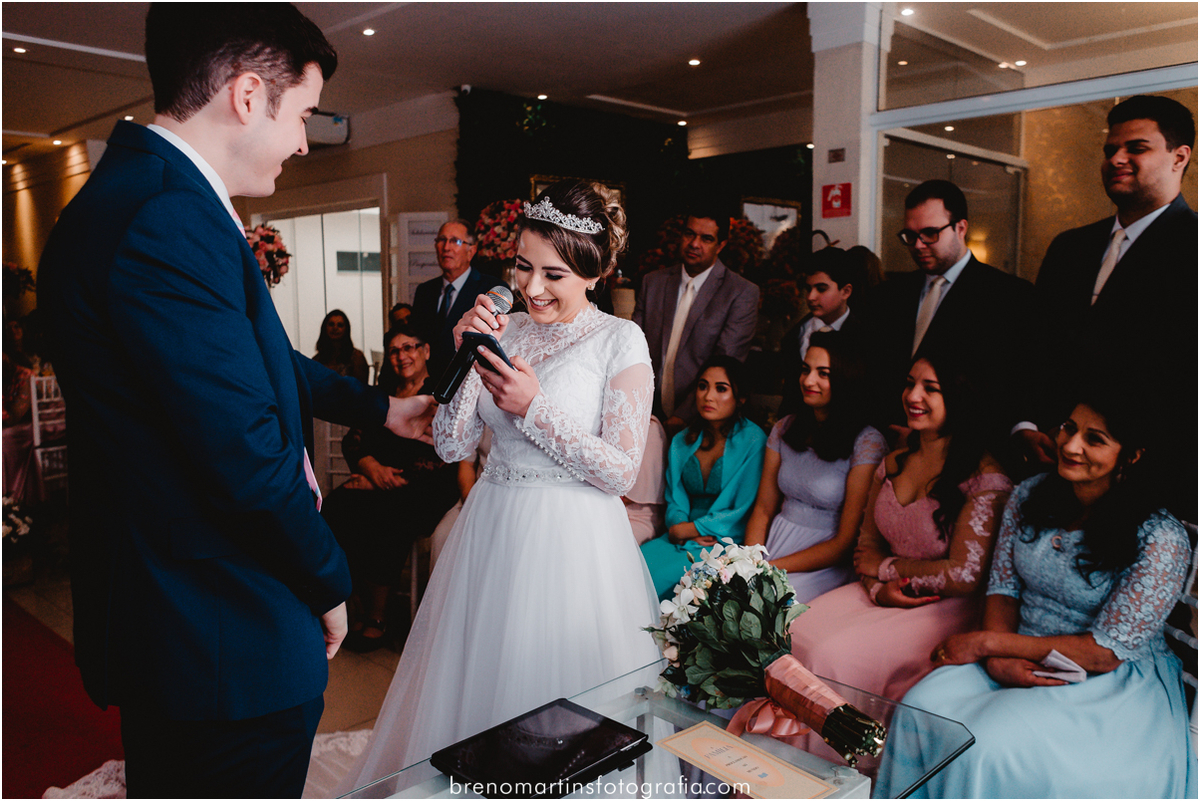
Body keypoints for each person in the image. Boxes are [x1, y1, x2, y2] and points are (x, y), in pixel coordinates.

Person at [35, 5, 435, 796]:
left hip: (175, 616)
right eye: (304, 114)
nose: (302, 140)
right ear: (249, 96)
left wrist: (381, 409)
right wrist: (328, 578)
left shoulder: (136, 193)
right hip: (219, 625)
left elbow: (252, 362)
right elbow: (242, 451)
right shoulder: (167, 215)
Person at [336, 179, 660, 790]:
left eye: (555, 274)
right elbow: (452, 444)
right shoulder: (506, 326)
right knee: (477, 687)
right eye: (522, 267)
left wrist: (535, 407)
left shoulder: (621, 340)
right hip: (491, 525)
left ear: (597, 273)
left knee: (553, 698)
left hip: (571, 541)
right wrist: (467, 351)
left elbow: (619, 468)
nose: (532, 288)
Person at [878, 388, 1195, 798]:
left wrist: (986, 644)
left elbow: (1104, 652)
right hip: (1011, 651)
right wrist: (996, 662)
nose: (1071, 445)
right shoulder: (1030, 495)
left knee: (983, 747)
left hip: (1103, 682)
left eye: (1094, 439)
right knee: (918, 708)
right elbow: (1003, 588)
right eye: (1069, 428)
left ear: (1132, 455)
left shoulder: (1159, 536)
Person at [788, 350, 1013, 702]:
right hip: (880, 592)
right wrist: (879, 588)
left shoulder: (985, 478)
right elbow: (866, 551)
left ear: (960, 397)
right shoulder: (893, 462)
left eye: (930, 388)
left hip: (946, 607)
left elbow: (964, 575)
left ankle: (841, 753)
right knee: (794, 628)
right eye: (910, 384)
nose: (913, 396)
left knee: (829, 656)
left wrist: (887, 569)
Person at [1016, 95, 1196, 519]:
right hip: (1051, 470)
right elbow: (1032, 349)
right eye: (1110, 149)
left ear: (1179, 157)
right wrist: (1024, 424)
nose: (1116, 158)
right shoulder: (1069, 247)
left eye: (1136, 148)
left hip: (1149, 487)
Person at [322, 323, 464, 652]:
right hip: (379, 479)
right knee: (334, 507)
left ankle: (377, 615)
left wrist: (384, 481)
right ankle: (348, 603)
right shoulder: (382, 392)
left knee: (385, 514)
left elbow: (444, 453)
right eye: (395, 351)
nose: (402, 356)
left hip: (425, 486)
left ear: (426, 350)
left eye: (410, 347)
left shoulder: (440, 393)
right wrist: (370, 468)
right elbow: (353, 440)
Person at [865, 180, 1030, 432]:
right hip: (888, 438)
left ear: (961, 228)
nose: (918, 245)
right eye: (910, 235)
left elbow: (1012, 380)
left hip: (964, 441)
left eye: (930, 233)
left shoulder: (1007, 294)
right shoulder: (888, 295)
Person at [745, 331, 886, 603]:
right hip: (773, 544)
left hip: (824, 560)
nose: (809, 381)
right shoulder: (785, 427)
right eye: (805, 370)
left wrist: (772, 568)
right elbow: (763, 509)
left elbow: (845, 542)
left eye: (824, 373)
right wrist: (749, 561)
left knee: (768, 607)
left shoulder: (867, 441)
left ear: (846, 378)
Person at [639, 356, 768, 601]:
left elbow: (743, 508)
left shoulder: (754, 440)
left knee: (657, 584)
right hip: (678, 536)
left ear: (740, 398)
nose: (708, 396)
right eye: (702, 386)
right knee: (631, 568)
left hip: (722, 540)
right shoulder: (681, 440)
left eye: (721, 389)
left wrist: (691, 528)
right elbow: (674, 497)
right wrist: (678, 528)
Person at [633, 209, 760, 434]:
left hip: (704, 423)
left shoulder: (740, 293)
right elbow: (632, 352)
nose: (694, 244)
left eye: (706, 238)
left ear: (720, 246)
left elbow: (725, 365)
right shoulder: (653, 283)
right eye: (689, 234)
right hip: (645, 417)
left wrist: (681, 417)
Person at [777, 247, 867, 417]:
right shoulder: (794, 337)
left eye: (821, 288)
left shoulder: (866, 336)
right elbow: (790, 398)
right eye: (808, 288)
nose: (811, 297)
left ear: (845, 291)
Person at [411, 219, 507, 376]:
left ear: (471, 251)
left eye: (455, 241)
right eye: (442, 240)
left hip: (466, 379)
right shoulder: (424, 291)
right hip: (425, 383)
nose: (446, 247)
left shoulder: (491, 289)